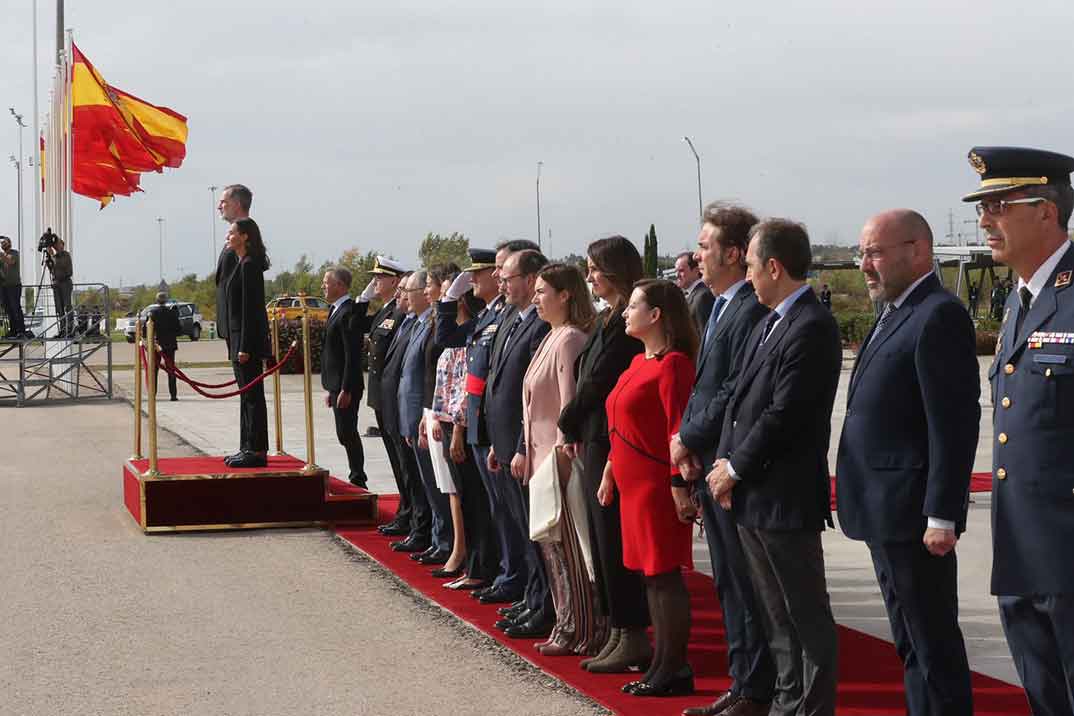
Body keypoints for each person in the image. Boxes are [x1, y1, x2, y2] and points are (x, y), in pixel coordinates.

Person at [837, 209, 979, 716]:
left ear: (918, 251)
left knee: (933, 644)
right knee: (910, 643)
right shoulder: (895, 309)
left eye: (874, 252)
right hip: (883, 509)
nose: (864, 265)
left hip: (913, 515)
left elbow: (953, 423)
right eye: (862, 253)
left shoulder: (938, 313)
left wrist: (942, 513)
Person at [707, 219, 842, 716]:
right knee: (777, 619)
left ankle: (807, 709)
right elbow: (740, 399)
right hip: (752, 495)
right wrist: (725, 464)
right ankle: (786, 704)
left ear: (773, 266)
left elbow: (785, 414)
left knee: (804, 619)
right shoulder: (770, 320)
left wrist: (734, 468)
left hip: (783, 496)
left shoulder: (811, 325)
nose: (747, 277)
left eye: (750, 267)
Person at [963, 145, 1074, 715]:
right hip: (1022, 545)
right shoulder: (1022, 301)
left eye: (999, 204)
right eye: (984, 206)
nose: (984, 219)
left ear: (1047, 212)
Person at [673, 204, 775, 716]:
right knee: (729, 582)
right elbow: (704, 385)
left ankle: (755, 689)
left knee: (744, 582)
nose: (696, 254)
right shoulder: (718, 307)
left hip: (731, 468)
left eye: (706, 246)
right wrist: (689, 445)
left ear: (735, 254)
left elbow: (734, 389)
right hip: (708, 464)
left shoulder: (749, 311)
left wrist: (688, 438)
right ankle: (742, 683)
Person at [558, 236, 650, 674]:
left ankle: (631, 633)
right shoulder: (609, 318)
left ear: (614, 270)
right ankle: (616, 627)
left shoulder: (622, 324)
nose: (589, 275)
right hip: (595, 436)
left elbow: (597, 381)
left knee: (612, 540)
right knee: (600, 537)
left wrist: (567, 419)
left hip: (608, 440)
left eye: (595, 268)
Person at [601, 279, 697, 697]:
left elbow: (679, 428)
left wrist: (679, 484)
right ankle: (661, 661)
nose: (625, 312)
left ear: (656, 314)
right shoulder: (638, 362)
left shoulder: (673, 364)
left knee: (664, 577)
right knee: (649, 577)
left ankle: (674, 666)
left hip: (657, 484)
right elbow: (620, 424)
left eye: (634, 306)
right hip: (631, 482)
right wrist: (608, 470)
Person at [438, 243, 536, 610]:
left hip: (502, 428)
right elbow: (449, 338)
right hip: (484, 423)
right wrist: (449, 297)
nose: (491, 277)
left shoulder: (514, 315)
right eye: (487, 270)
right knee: (502, 510)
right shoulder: (493, 314)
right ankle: (512, 576)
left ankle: (521, 582)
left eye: (497, 270)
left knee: (517, 514)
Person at [521, 262, 599, 656]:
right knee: (551, 548)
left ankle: (579, 627)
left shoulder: (569, 339)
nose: (535, 298)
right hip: (540, 462)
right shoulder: (551, 335)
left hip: (557, 461)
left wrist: (566, 450)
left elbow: (569, 403)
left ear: (565, 294)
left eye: (541, 292)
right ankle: (564, 621)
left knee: (568, 549)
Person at [484, 249, 553, 636]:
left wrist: (523, 446)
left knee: (535, 530)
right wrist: (497, 441)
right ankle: (532, 596)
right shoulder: (512, 317)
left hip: (525, 445)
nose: (501, 284)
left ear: (529, 280)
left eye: (508, 278)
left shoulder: (540, 325)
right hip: (505, 440)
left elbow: (534, 397)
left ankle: (544, 605)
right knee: (521, 528)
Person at [429, 276, 497, 590]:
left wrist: (457, 427)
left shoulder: (479, 326)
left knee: (475, 500)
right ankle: (475, 564)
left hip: (466, 424)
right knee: (466, 497)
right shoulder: (470, 328)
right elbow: (444, 345)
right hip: (452, 420)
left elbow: (466, 385)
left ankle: (481, 566)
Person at [398, 270, 453, 565]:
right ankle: (437, 538)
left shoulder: (434, 324)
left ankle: (445, 540)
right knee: (428, 484)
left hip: (432, 412)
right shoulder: (424, 323)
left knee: (439, 485)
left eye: (427, 286)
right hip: (420, 413)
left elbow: (430, 376)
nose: (405, 295)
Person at [382, 275, 433, 554]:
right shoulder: (413, 323)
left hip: (418, 415)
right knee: (413, 477)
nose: (403, 295)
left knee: (426, 482)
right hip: (404, 413)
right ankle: (421, 529)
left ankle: (427, 532)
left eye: (409, 290)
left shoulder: (428, 324)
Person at [364, 257, 412, 534]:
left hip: (392, 395)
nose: (375, 283)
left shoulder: (400, 312)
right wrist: (363, 298)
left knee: (404, 462)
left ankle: (409, 513)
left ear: (395, 281)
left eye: (379, 278)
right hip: (380, 394)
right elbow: (356, 324)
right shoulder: (385, 311)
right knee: (396, 461)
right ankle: (405, 511)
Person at [222, 218, 271, 469]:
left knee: (253, 397)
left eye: (231, 233)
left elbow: (251, 311)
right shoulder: (240, 263)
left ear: (245, 236)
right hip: (238, 339)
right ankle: (246, 446)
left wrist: (244, 346)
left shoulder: (250, 266)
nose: (227, 236)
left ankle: (257, 449)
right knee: (245, 397)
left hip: (246, 343)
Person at [321, 267, 367, 488]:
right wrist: (331, 388)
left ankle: (358, 477)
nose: (323, 286)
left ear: (339, 285)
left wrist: (345, 389)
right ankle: (356, 473)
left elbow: (351, 354)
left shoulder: (348, 311)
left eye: (326, 282)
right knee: (343, 433)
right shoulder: (335, 309)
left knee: (347, 432)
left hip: (346, 386)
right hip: (337, 385)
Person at [215, 184, 251, 353]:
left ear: (237, 205)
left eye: (223, 202)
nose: (219, 206)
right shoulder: (233, 238)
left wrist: (245, 342)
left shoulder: (246, 237)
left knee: (248, 379)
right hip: (232, 327)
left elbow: (247, 293)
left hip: (242, 329)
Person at [147, 292, 181, 402]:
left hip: (156, 345)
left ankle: (153, 395)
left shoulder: (152, 314)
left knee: (154, 371)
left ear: (157, 300)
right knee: (171, 370)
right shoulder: (172, 313)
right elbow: (179, 329)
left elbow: (145, 330)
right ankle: (173, 395)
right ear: (166, 300)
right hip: (170, 345)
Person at [676, 250, 715, 334]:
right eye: (676, 271)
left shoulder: (703, 297)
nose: (677, 275)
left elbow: (704, 334)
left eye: (681, 270)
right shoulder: (689, 295)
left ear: (696, 271)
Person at [0, 236, 26, 339]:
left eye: (4, 242)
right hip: (4, 286)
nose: (2, 244)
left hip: (14, 285)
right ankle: (13, 330)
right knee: (9, 309)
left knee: (16, 308)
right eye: (2, 243)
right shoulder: (2, 256)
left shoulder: (14, 253)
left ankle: (21, 330)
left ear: (9, 243)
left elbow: (10, 262)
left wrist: (2, 256)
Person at [49, 238, 73, 336]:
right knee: (59, 309)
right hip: (57, 284)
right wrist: (49, 260)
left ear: (62, 245)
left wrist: (52, 256)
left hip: (65, 282)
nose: (56, 246)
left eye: (58, 244)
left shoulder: (65, 255)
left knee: (67, 306)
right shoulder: (54, 257)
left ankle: (70, 328)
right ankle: (62, 329)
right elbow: (52, 269)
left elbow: (61, 265)